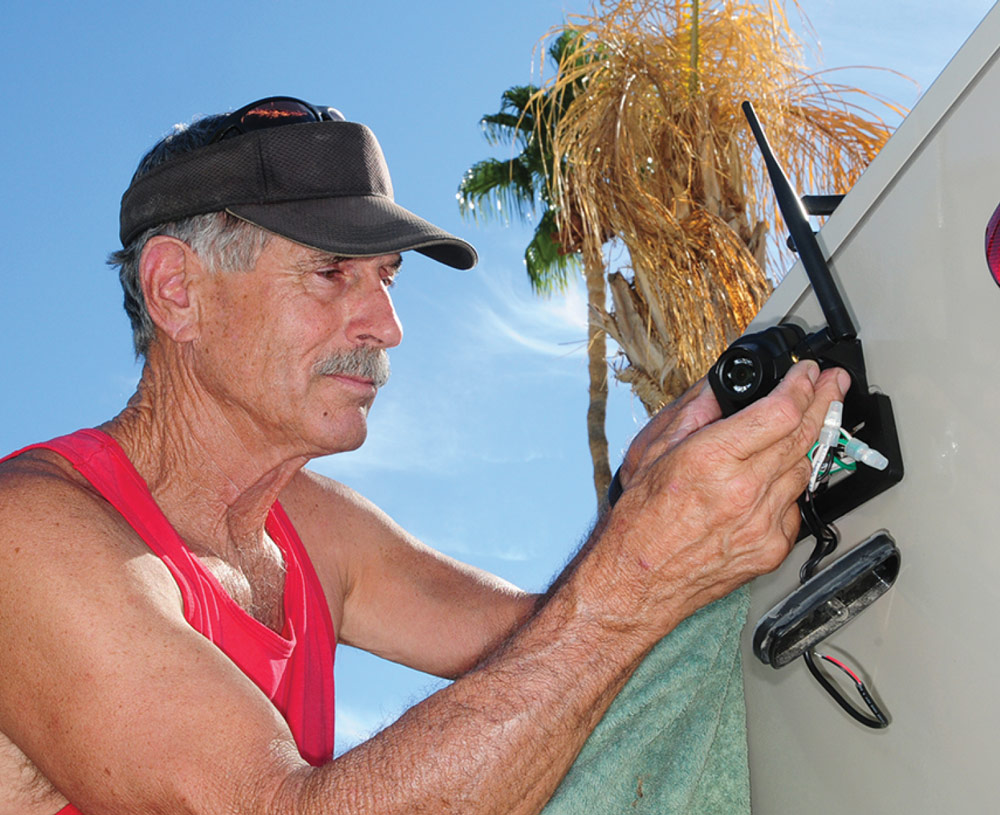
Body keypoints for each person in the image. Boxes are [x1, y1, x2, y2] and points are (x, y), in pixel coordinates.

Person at [0, 96, 849, 815]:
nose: (387, 327)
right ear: (177, 292)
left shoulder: (310, 524)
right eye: (332, 273)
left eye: (388, 280)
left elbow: (544, 646)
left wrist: (642, 500)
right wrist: (638, 569)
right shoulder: (29, 537)